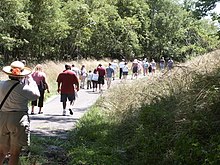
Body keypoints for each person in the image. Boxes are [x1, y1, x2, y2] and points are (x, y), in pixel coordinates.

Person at [0, 61, 40, 165]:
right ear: (22, 75)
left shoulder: (1, 84)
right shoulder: (24, 88)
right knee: (15, 153)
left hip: (2, 117)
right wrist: (31, 80)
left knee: (1, 151)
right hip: (18, 119)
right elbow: (36, 95)